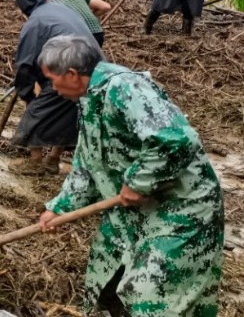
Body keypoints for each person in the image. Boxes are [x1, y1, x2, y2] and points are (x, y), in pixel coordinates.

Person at [36, 35, 224, 317]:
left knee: (154, 296)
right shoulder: (89, 101)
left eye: (52, 78)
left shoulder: (125, 87)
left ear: (73, 75)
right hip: (134, 211)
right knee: (106, 279)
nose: (52, 87)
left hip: (180, 209)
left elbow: (176, 139)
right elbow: (89, 166)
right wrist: (59, 208)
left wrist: (138, 182)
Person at [9, 0, 101, 176]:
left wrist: (27, 97)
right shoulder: (60, 9)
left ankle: (34, 163)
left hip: (72, 69)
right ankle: (53, 160)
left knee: (35, 114)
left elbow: (25, 66)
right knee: (68, 114)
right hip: (94, 69)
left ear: (22, 2)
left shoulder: (35, 23)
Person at [41, 0, 111, 47]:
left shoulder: (51, 5)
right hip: (98, 33)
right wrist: (90, 16)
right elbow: (106, 6)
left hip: (77, 38)